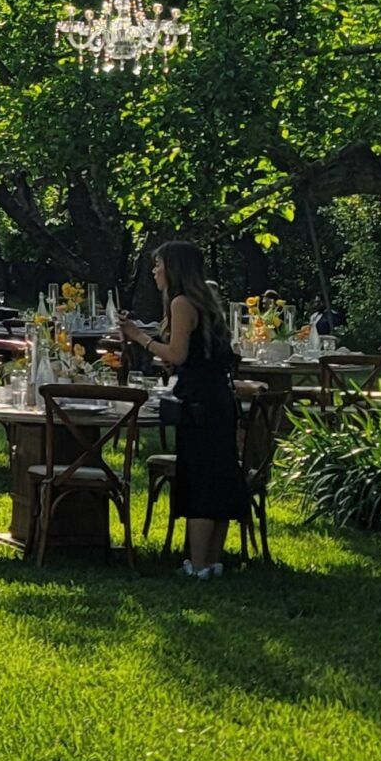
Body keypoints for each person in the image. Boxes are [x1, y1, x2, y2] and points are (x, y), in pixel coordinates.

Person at [119, 240, 250, 579]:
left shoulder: (180, 302)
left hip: (199, 405)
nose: (154, 271)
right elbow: (199, 355)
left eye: (158, 265)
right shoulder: (205, 301)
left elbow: (176, 354)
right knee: (219, 479)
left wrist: (139, 337)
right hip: (219, 400)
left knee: (200, 481)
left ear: (173, 268)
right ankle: (214, 561)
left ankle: (198, 564)